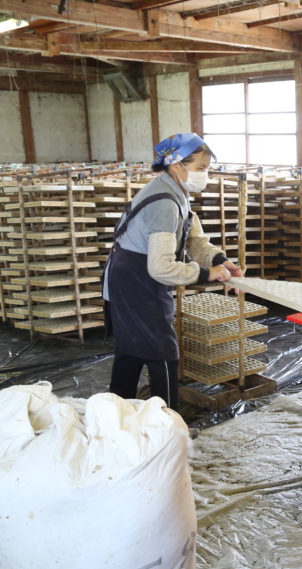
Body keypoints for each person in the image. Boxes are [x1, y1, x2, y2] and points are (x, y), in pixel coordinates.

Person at [103, 133, 242, 409]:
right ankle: (167, 424)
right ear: (178, 165)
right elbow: (161, 267)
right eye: (201, 169)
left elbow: (194, 239)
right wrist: (205, 274)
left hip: (132, 279)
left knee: (131, 351)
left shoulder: (176, 193)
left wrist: (221, 261)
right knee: (163, 354)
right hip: (135, 283)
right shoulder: (164, 203)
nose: (205, 175)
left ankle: (117, 416)